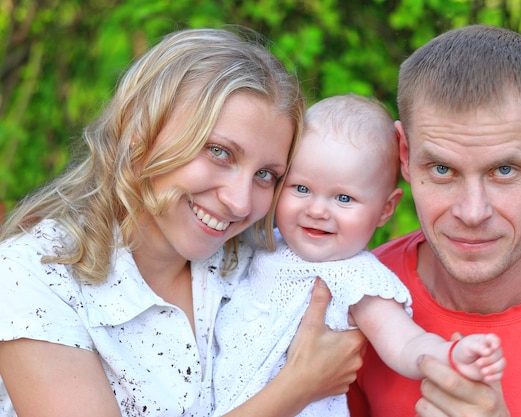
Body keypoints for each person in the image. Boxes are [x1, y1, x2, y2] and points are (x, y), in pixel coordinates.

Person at [0, 28, 366, 417]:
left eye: (266, 175)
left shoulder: (265, 267)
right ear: (139, 131)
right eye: (219, 152)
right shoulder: (35, 277)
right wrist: (296, 389)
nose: (239, 202)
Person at [347, 24, 521, 417]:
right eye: (443, 169)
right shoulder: (353, 300)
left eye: (504, 170)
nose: (472, 212)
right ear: (405, 156)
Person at [212, 94, 506, 417]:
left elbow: (406, 344)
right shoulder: (265, 241)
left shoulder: (357, 277)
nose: (317, 210)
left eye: (343, 197)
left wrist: (451, 354)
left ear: (385, 209)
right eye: (301, 188)